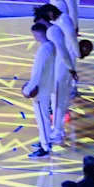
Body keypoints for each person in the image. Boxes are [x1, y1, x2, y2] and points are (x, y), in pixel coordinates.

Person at [24, 22, 58, 158]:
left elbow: (37, 73)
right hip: (49, 85)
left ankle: (45, 148)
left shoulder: (43, 50)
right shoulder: (52, 46)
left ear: (37, 33)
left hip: (41, 88)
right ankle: (45, 140)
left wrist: (28, 90)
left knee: (42, 119)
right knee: (45, 117)